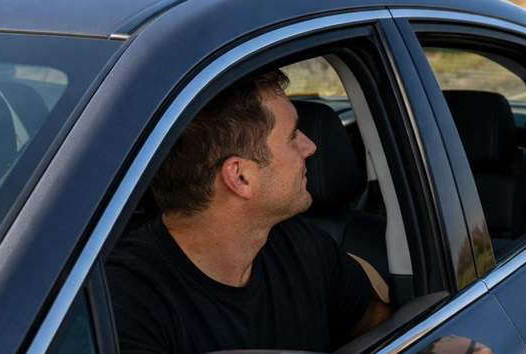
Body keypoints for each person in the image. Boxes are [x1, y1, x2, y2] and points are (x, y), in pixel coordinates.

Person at [108, 69, 390, 353]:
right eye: (293, 136)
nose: (310, 146)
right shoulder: (126, 303)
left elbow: (385, 330)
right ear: (240, 177)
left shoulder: (302, 245)